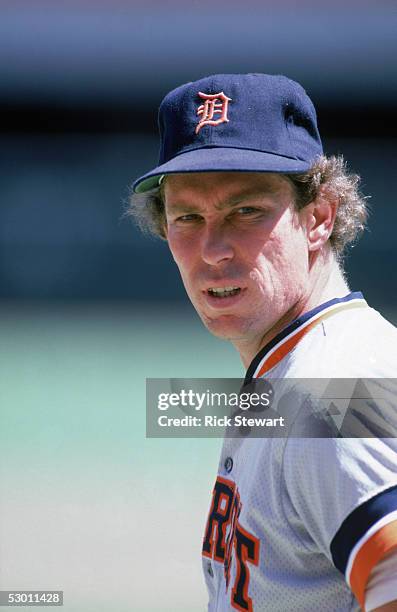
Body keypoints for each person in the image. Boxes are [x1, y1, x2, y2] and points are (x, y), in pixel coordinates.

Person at [129, 74, 397, 611]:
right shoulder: (299, 368)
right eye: (188, 217)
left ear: (317, 217)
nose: (213, 250)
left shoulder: (333, 390)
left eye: (245, 211)